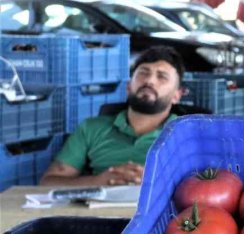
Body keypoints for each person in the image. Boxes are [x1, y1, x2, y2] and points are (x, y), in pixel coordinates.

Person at [40, 46, 185, 186]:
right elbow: (48, 183)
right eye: (143, 73)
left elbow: (202, 188)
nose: (149, 81)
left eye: (162, 77)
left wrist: (155, 183)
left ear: (177, 95)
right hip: (97, 209)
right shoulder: (91, 128)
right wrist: (98, 182)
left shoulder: (188, 135)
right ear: (128, 87)